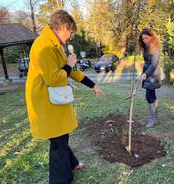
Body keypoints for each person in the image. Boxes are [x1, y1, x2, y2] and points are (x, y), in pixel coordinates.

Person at [26, 10, 102, 184]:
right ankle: (61, 180)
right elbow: (52, 78)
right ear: (61, 27)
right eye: (71, 32)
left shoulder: (54, 44)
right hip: (45, 101)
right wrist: (68, 65)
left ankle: (73, 163)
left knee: (61, 136)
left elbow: (71, 71)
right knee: (58, 142)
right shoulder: (43, 45)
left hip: (52, 99)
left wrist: (93, 85)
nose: (72, 36)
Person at [138, 28, 162, 128]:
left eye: (146, 38)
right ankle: (154, 115)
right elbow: (147, 61)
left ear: (151, 37)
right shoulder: (146, 47)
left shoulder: (155, 48)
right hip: (147, 73)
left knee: (149, 96)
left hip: (153, 75)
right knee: (152, 95)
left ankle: (153, 119)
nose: (144, 40)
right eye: (143, 39)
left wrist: (146, 74)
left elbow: (154, 64)